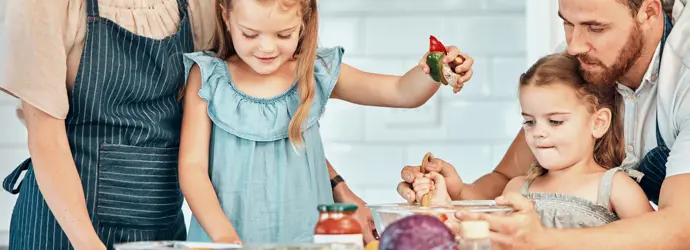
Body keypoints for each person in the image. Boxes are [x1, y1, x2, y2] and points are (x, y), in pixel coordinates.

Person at [177, 0, 475, 245]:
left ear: (304, 20)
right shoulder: (208, 78)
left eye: (283, 35)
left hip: (310, 238)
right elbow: (192, 169)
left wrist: (435, 69)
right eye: (250, 34)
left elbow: (400, 92)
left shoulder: (314, 71)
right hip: (226, 238)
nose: (266, 48)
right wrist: (223, 236)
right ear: (226, 15)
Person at [398, 0, 690, 248]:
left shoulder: (684, 75)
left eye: (595, 28)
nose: (573, 46)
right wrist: (458, 194)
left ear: (649, 13)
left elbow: (681, 229)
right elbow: (505, 178)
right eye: (567, 23)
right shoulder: (588, 56)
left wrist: (546, 241)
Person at [0, 0, 218, 249]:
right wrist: (88, 244)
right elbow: (46, 140)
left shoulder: (201, 4)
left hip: (161, 226)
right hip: (63, 229)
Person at [413, 53, 654, 230]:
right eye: (529, 122)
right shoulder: (518, 189)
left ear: (598, 123)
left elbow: (654, 243)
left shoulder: (615, 187)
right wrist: (444, 205)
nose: (538, 132)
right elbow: (485, 238)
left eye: (555, 121)